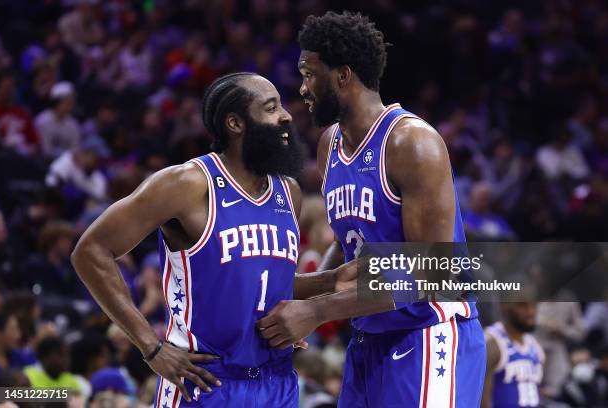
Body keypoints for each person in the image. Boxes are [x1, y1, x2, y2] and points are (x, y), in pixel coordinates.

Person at [72, 72, 355, 407]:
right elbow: (91, 251)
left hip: (277, 383)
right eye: (270, 107)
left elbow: (259, 282)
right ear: (235, 123)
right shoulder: (186, 184)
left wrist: (328, 282)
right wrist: (151, 346)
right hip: (206, 383)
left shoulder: (287, 191)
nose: (286, 116)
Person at [257, 11, 486, 407]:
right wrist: (300, 291)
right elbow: (349, 248)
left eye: (310, 74)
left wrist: (317, 310)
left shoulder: (412, 144)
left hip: (429, 333)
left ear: (343, 76)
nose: (304, 88)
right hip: (369, 340)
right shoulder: (330, 143)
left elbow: (430, 272)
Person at [482, 303, 544, 408]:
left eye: (533, 306)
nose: (530, 312)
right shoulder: (492, 342)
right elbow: (479, 399)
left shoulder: (535, 345)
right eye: (522, 306)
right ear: (505, 306)